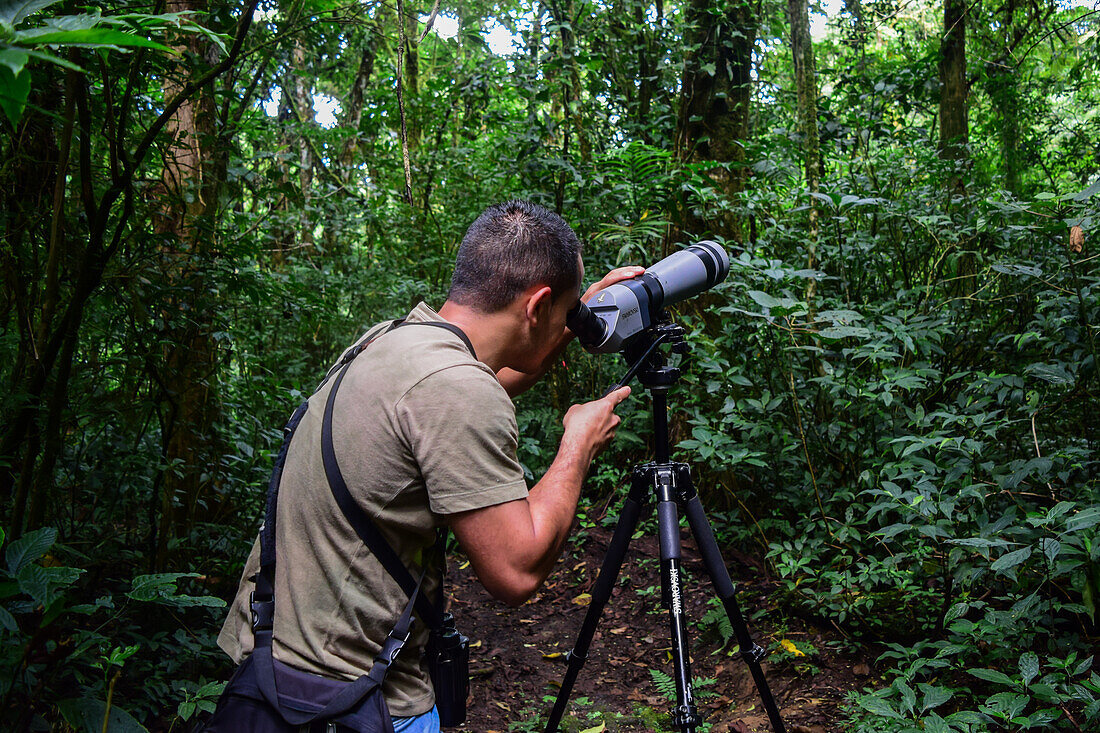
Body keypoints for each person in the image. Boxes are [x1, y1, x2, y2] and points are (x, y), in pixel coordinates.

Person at [217, 200, 642, 731]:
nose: (571, 319)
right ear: (537, 307)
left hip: (269, 670)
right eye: (566, 309)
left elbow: (465, 397)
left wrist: (574, 316)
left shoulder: (391, 340)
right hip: (353, 701)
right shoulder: (458, 390)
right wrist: (576, 445)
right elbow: (515, 573)